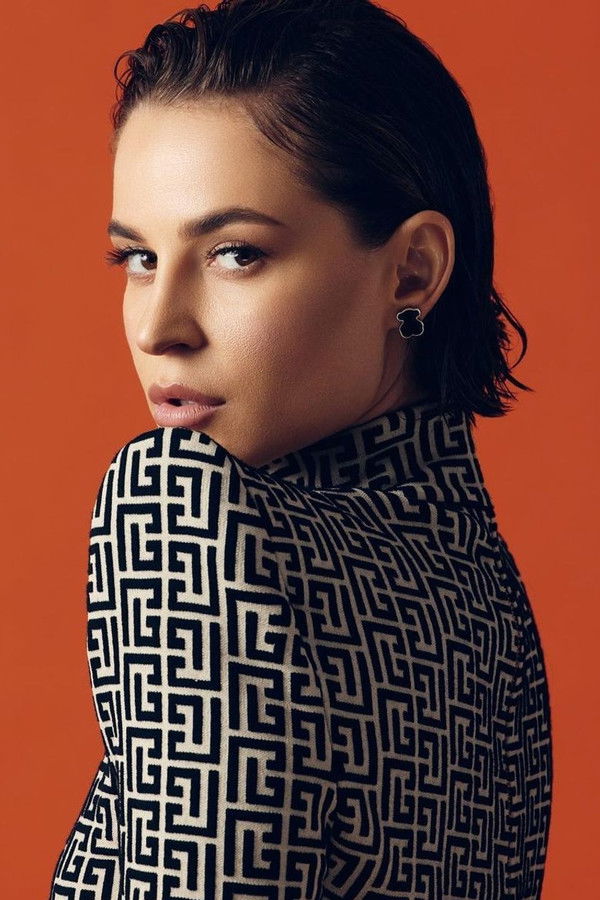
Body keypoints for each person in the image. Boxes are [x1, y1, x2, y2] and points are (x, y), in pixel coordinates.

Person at [48, 0, 553, 897]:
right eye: (138, 258)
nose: (159, 328)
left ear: (413, 271)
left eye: (235, 253)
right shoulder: (484, 600)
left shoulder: (184, 508)